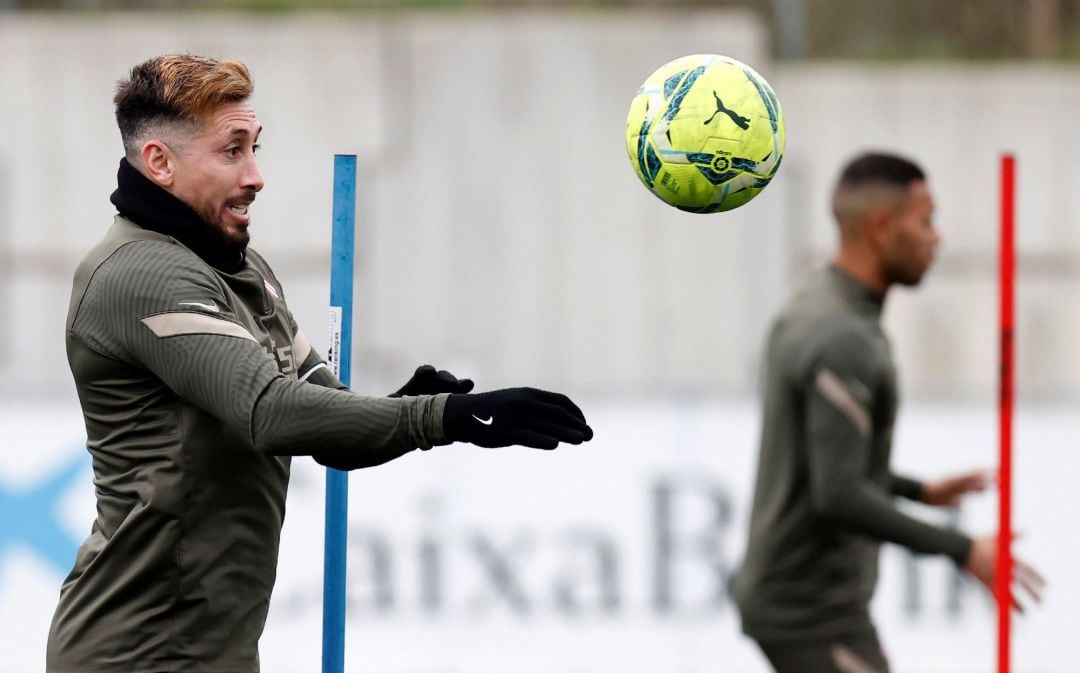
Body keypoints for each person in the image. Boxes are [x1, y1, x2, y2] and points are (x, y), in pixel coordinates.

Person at [46, 54, 593, 673]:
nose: (256, 175)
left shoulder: (238, 270)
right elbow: (272, 411)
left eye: (256, 148)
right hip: (137, 655)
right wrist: (452, 417)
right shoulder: (139, 273)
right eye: (232, 151)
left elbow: (319, 420)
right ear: (160, 163)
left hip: (209, 653)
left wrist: (397, 410)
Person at [732, 152, 1043, 673]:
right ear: (881, 227)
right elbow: (837, 492)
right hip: (807, 610)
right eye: (925, 220)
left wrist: (920, 491)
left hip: (801, 601)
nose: (936, 238)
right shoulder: (842, 336)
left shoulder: (817, 300)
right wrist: (962, 548)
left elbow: (825, 460)